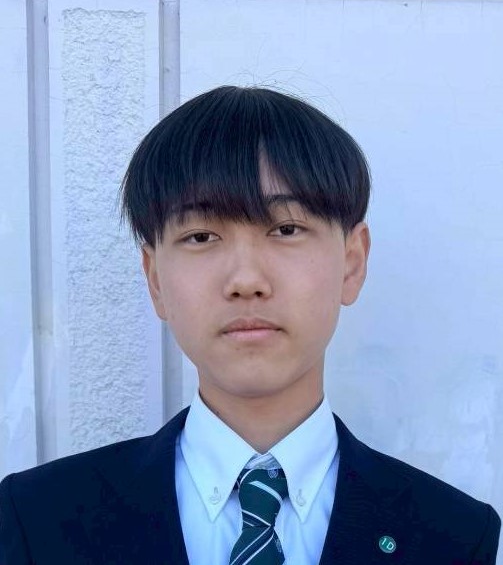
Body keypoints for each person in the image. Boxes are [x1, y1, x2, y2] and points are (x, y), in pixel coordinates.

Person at [0, 85, 500, 565]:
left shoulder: (453, 535)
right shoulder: (39, 519)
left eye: (286, 229)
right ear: (155, 279)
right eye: (201, 236)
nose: (246, 281)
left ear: (352, 263)